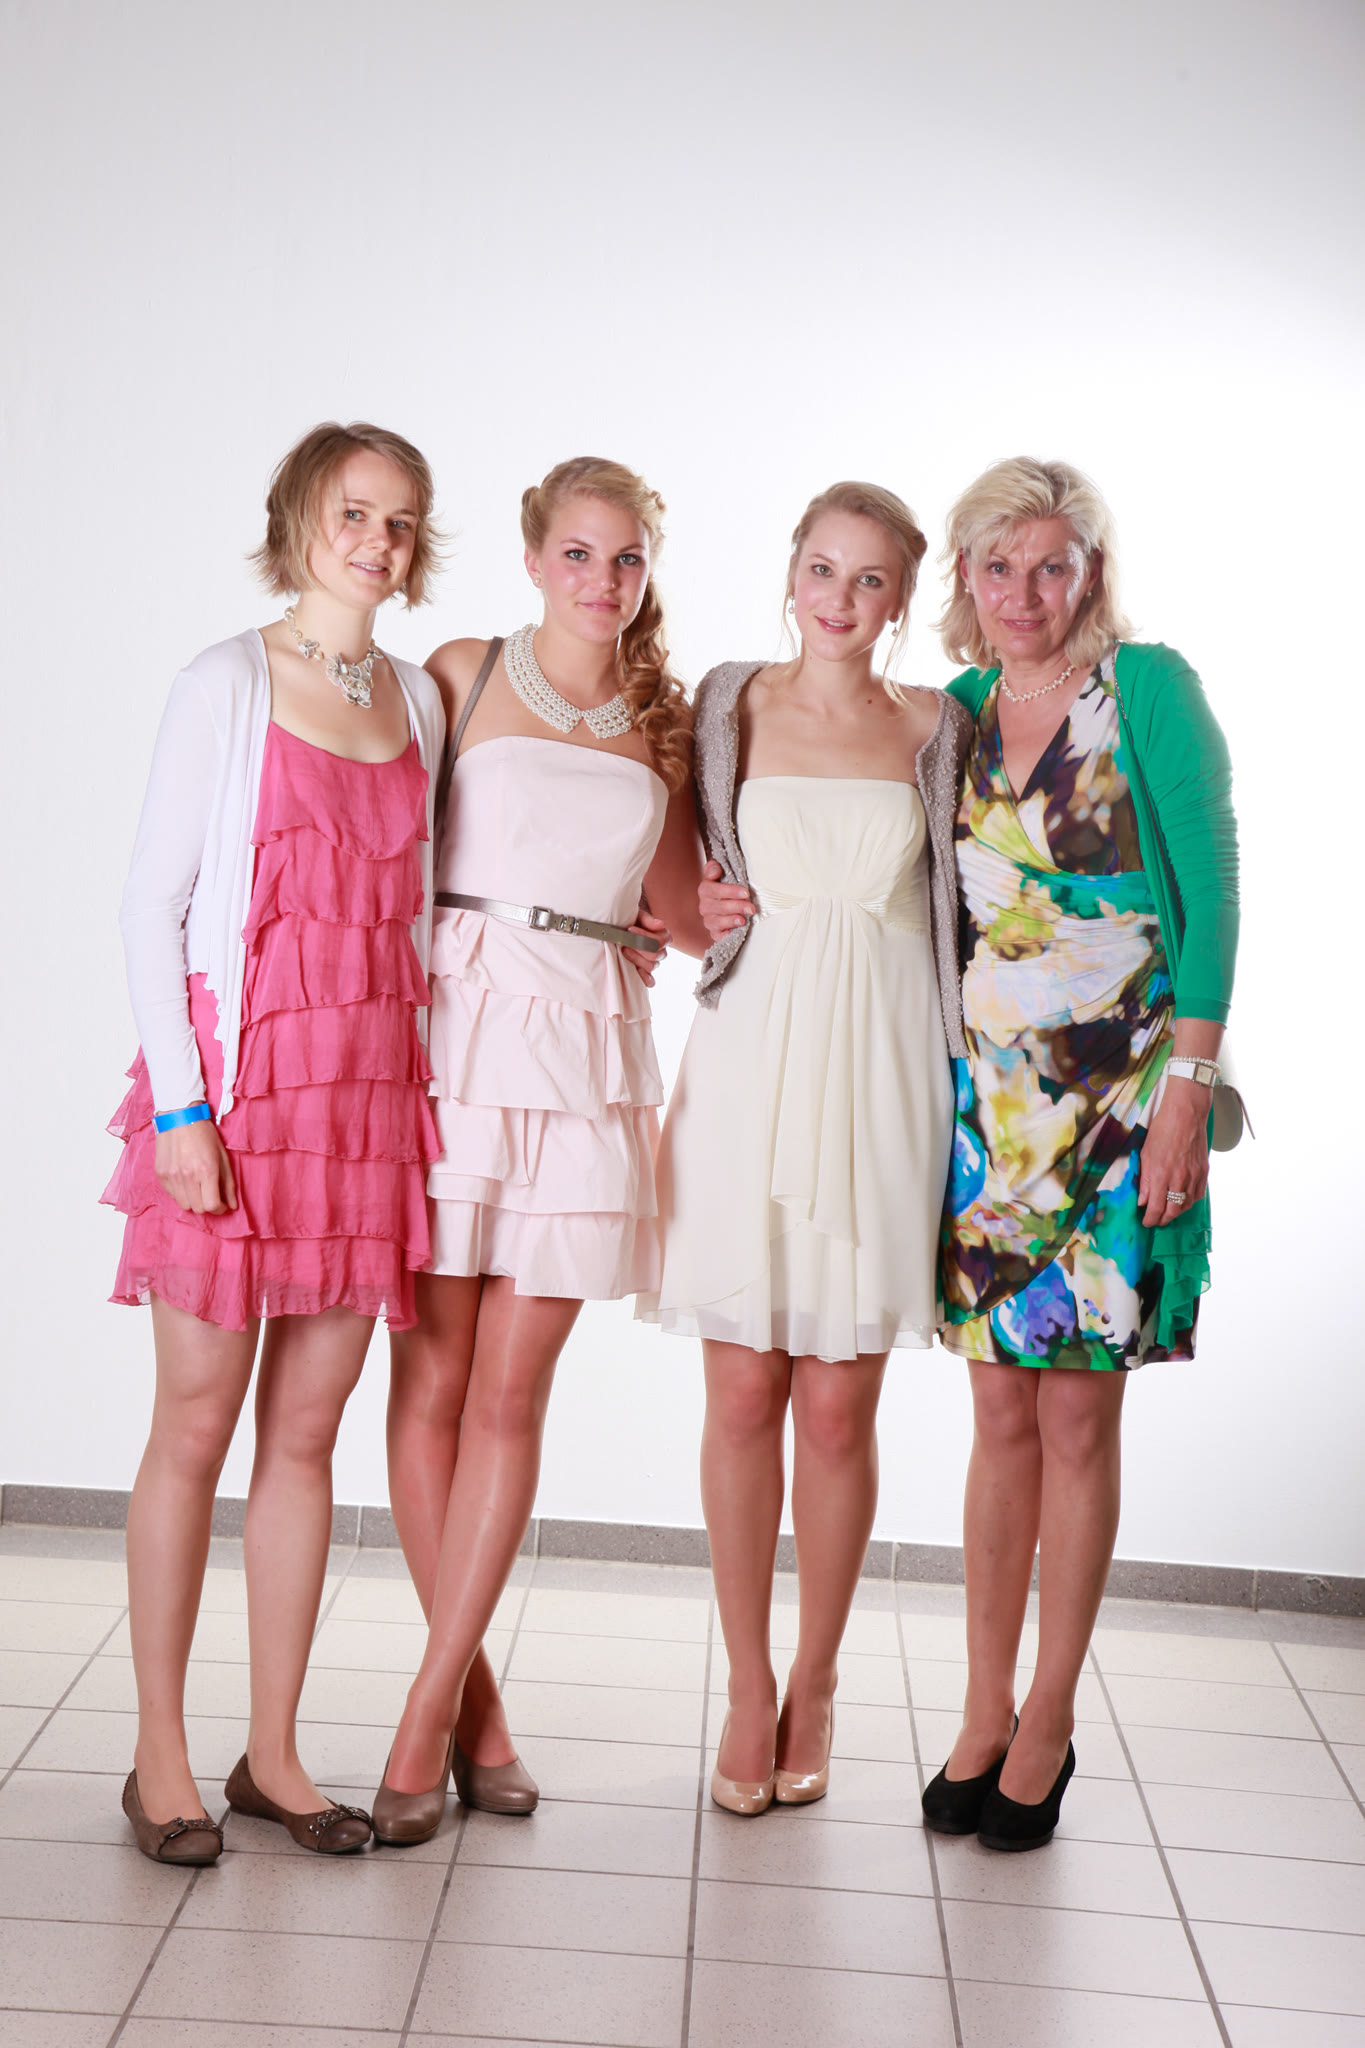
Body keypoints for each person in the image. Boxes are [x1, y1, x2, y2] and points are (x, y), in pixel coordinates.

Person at [103, 421, 446, 1862]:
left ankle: (276, 1754)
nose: (376, 542)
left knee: (306, 1438)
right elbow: (152, 906)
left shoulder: (420, 702)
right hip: (236, 1099)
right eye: (352, 513)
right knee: (194, 1426)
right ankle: (160, 1759)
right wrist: (183, 1112)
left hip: (360, 1112)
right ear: (300, 519)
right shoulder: (225, 683)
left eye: (399, 522)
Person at [372, 457, 709, 1844]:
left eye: (625, 559)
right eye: (578, 554)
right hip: (455, 1039)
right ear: (531, 558)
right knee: (432, 1383)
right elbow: (383, 845)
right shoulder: (458, 673)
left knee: (510, 1398)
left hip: (585, 1057)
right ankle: (478, 1713)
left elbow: (685, 912)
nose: (601, 581)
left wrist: (745, 902)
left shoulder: (662, 725)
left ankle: (420, 1719)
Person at [922, 457, 1239, 1852]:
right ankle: (981, 1710)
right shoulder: (953, 711)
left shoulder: (1148, 690)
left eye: (1051, 565)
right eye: (997, 566)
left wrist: (1191, 1091)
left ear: (1089, 574)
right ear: (965, 577)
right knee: (997, 1413)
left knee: (1076, 1415)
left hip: (1122, 1099)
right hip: (992, 1112)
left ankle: (1048, 1721)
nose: (1023, 592)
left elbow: (1212, 891)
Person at [641, 482, 970, 1815]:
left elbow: (973, 900)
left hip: (884, 1064)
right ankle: (742, 1682)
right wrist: (700, 906)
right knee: (739, 1396)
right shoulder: (725, 703)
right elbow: (669, 888)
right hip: (749, 1061)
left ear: (900, 600)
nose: (840, 598)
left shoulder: (936, 725)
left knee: (837, 1406)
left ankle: (817, 1682)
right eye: (823, 570)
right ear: (791, 575)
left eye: (869, 579)